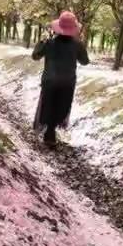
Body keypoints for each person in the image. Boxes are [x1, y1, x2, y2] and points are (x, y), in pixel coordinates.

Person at [32, 10, 89, 147]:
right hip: (67, 82)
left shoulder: (49, 42)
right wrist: (80, 47)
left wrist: (41, 42)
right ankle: (51, 131)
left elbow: (35, 56)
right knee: (62, 106)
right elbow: (85, 61)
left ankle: (49, 131)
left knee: (48, 104)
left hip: (50, 80)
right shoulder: (77, 44)